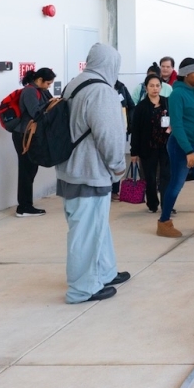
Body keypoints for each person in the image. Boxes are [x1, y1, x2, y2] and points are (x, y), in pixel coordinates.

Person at [56, 43, 130, 303]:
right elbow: (109, 135)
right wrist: (118, 165)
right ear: (111, 64)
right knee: (85, 232)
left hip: (70, 169)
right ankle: (82, 289)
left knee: (95, 226)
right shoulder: (101, 91)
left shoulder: (74, 84)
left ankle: (105, 271)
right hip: (90, 170)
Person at [157, 58, 194, 238]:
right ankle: (164, 222)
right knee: (176, 184)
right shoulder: (177, 95)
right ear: (187, 75)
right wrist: (188, 151)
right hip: (182, 146)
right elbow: (177, 125)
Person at [11, 67, 56, 217]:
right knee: (26, 170)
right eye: (48, 83)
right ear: (40, 80)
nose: (49, 86)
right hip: (23, 136)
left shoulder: (41, 90)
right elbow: (35, 112)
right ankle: (24, 207)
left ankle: (25, 205)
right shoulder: (30, 91)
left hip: (30, 135)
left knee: (30, 169)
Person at [130, 75, 171, 213]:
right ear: (146, 87)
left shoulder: (167, 102)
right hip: (148, 147)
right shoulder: (141, 107)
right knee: (150, 177)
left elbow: (175, 120)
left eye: (157, 85)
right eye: (152, 86)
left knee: (166, 177)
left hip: (166, 147)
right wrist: (134, 152)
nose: (155, 88)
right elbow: (136, 130)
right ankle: (153, 204)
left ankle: (167, 205)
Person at [111, 78, 136, 202]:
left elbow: (131, 105)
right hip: (104, 129)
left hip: (120, 129)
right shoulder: (99, 86)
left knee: (117, 158)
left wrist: (129, 123)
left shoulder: (121, 87)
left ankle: (115, 190)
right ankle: (104, 189)